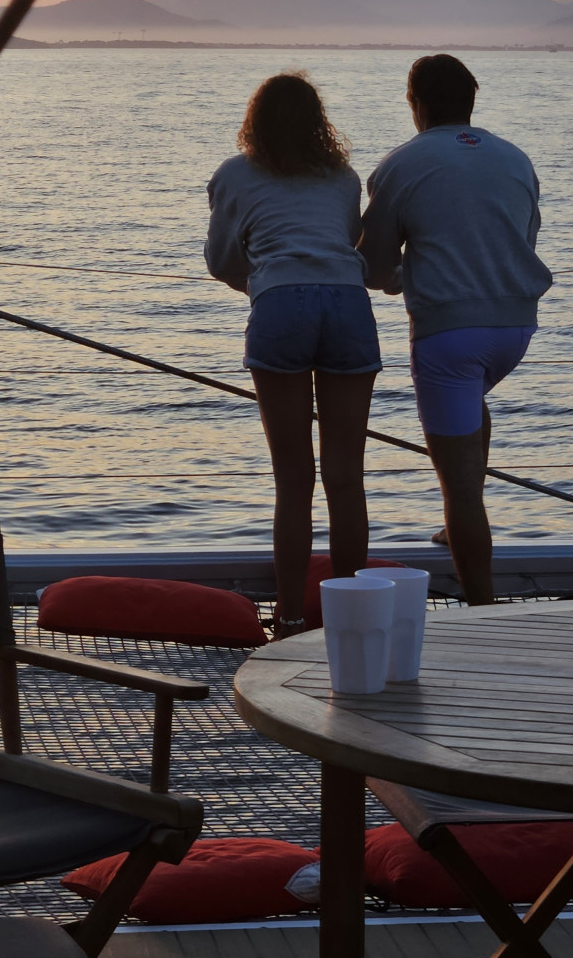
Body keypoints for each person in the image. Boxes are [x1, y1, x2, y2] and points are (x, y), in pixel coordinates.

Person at [358, 54, 552, 608]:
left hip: (448, 334)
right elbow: (523, 236)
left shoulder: (402, 163)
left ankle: (482, 612)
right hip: (515, 329)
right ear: (471, 101)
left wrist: (399, 277)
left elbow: (373, 266)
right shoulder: (515, 158)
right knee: (472, 411)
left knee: (458, 488)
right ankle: (461, 525)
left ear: (415, 104)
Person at [204, 72, 380, 638]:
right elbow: (350, 243)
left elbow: (223, 259)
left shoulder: (234, 174)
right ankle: (353, 618)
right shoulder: (343, 176)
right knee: (346, 477)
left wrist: (262, 284)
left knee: (293, 478)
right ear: (317, 123)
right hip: (349, 303)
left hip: (281, 303)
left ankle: (291, 617)